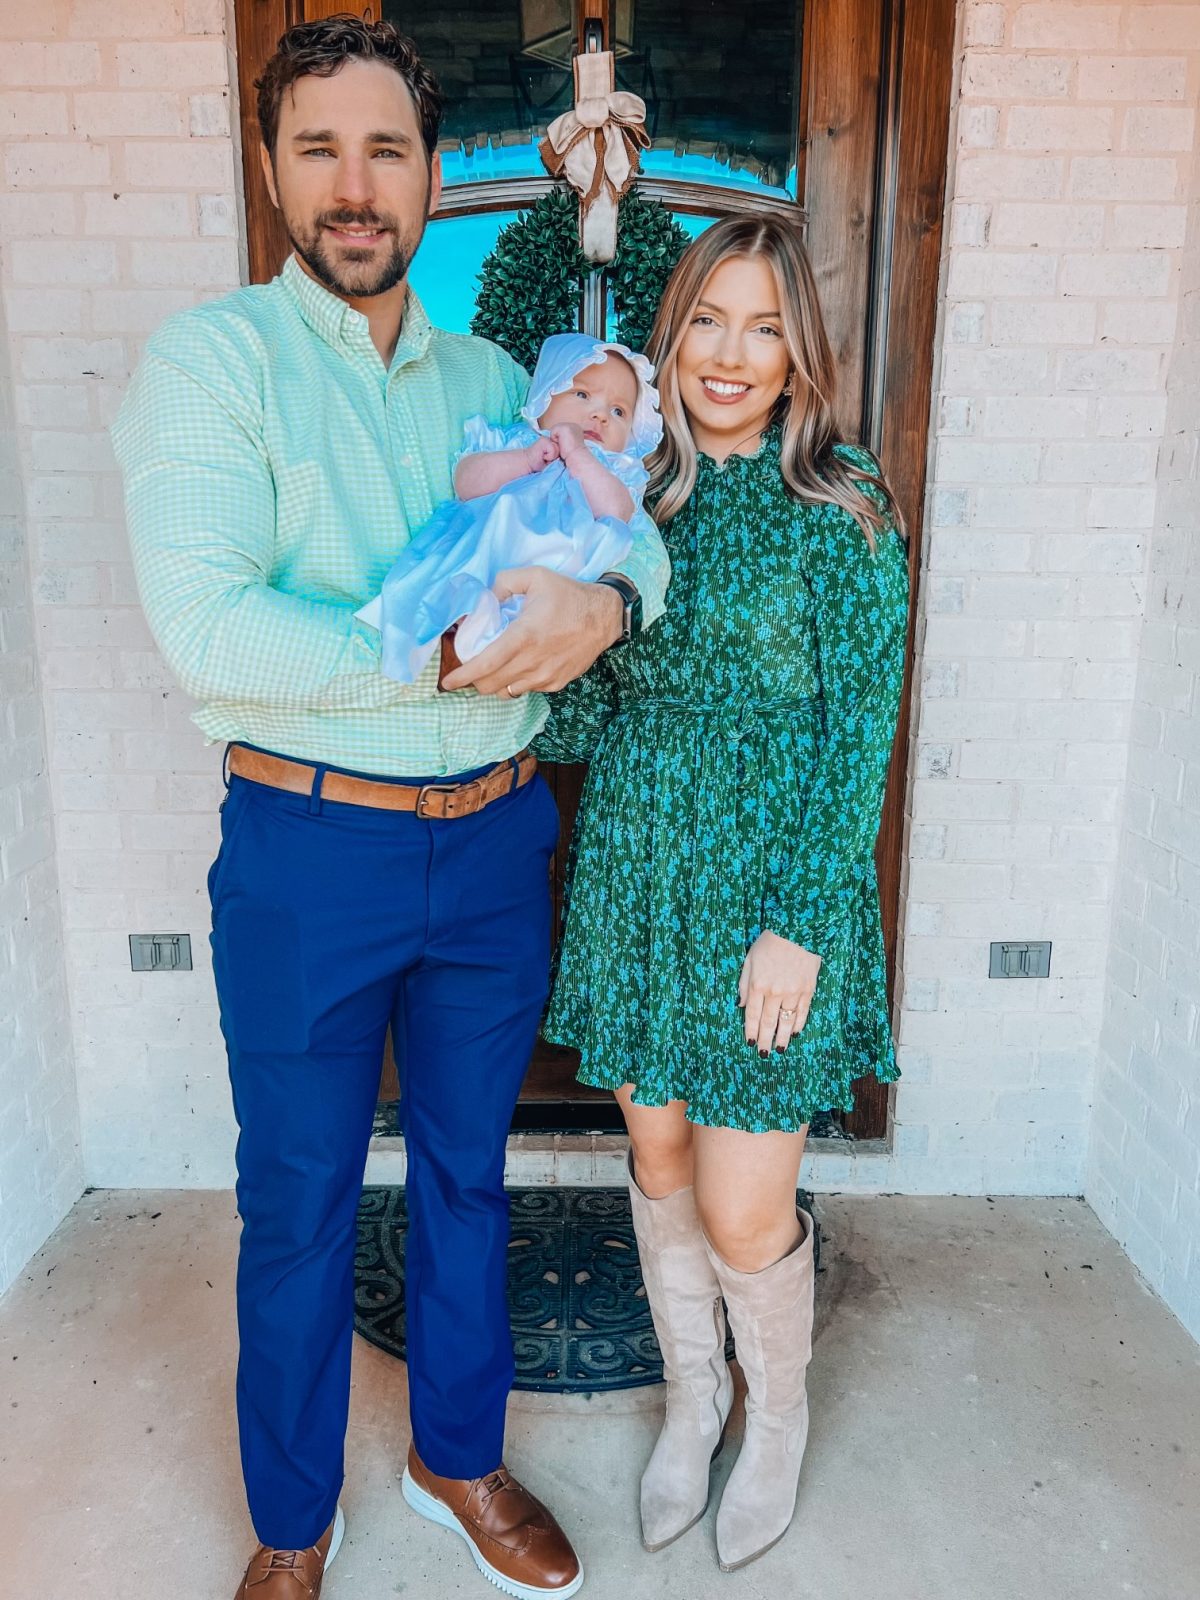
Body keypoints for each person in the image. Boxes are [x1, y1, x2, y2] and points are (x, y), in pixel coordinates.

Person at [111, 17, 668, 1600]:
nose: (357, 188)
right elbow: (215, 632)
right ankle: (292, 1519)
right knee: (295, 1197)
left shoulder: (498, 378)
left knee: (468, 1174)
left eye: (387, 150)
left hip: (493, 842)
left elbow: (632, 523)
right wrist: (447, 652)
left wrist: (611, 608)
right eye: (320, 149)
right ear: (274, 167)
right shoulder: (214, 362)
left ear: (429, 175)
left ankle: (456, 1455)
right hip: (311, 850)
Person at [534, 214, 910, 1572]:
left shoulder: (845, 503)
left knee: (748, 1206)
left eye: (763, 326)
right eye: (706, 321)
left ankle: (780, 1416)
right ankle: (695, 1401)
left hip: (772, 903)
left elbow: (861, 729)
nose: (732, 355)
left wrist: (805, 920)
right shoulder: (632, 496)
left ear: (798, 348)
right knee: (660, 1159)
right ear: (668, 333)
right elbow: (583, 720)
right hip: (641, 876)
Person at [357, 334, 663, 683]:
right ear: (544, 397)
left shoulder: (612, 470)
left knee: (529, 605)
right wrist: (525, 460)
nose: (600, 415)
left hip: (555, 573)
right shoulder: (517, 441)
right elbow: (467, 482)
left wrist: (579, 456)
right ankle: (467, 617)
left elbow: (616, 513)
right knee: (462, 567)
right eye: (582, 394)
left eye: (618, 411)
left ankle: (487, 630)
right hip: (493, 544)